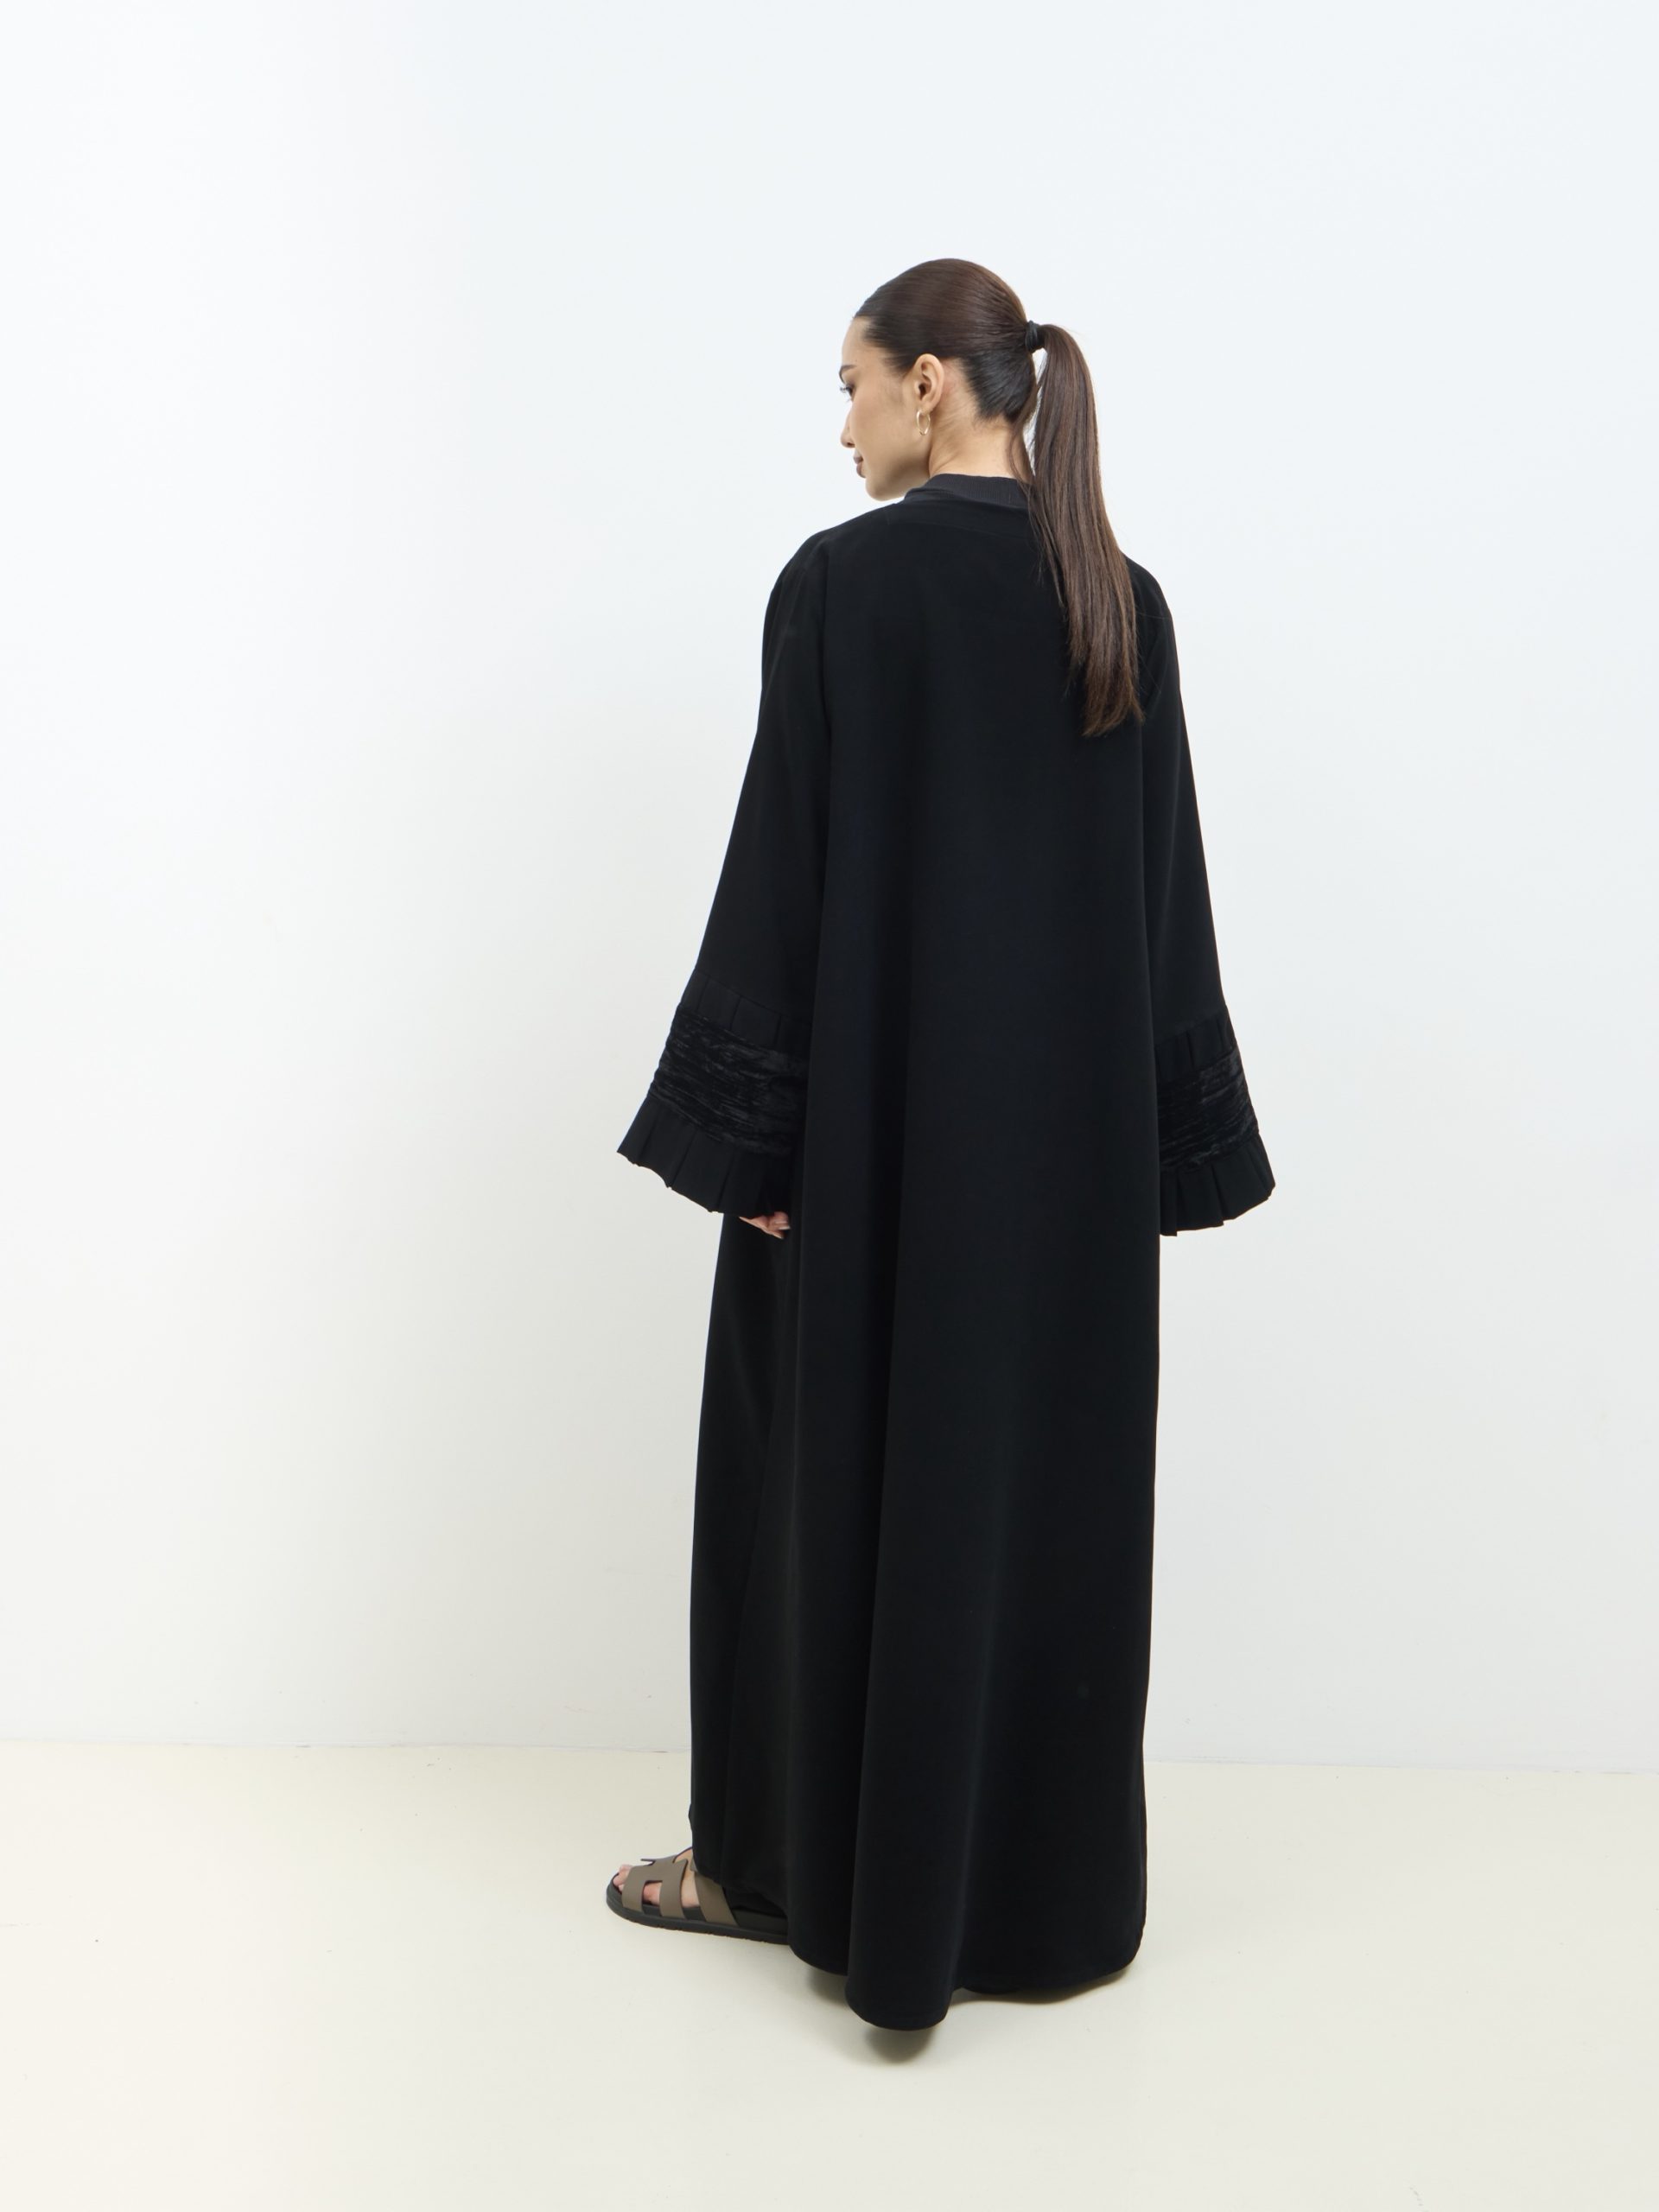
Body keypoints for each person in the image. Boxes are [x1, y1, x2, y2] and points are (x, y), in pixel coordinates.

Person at [607, 257, 1276, 2032]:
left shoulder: (842, 586)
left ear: (927, 382)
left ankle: (781, 1874)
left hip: (872, 1151)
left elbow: (784, 871)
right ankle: (1041, 1911)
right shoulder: (1120, 598)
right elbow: (1163, 903)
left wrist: (752, 1144)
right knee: (1042, 1512)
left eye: (850, 384)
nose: (840, 426)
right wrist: (1164, 1155)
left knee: (812, 1495)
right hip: (1067, 1179)